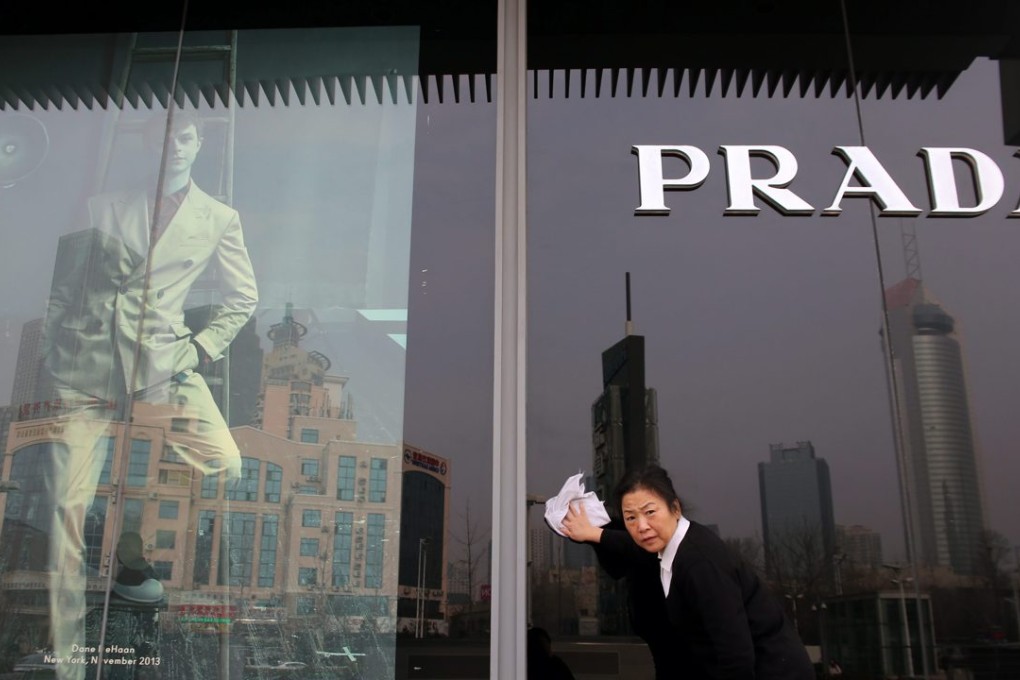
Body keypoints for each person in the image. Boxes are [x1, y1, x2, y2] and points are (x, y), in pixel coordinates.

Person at [39, 108, 258, 679]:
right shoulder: (102, 206)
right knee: (65, 508)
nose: (176, 147)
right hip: (85, 369)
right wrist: (51, 354)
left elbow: (242, 298)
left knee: (226, 465)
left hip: (163, 367)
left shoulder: (219, 217)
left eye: (186, 136)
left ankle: (132, 550)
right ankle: (67, 667)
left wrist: (202, 348)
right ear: (151, 143)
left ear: (199, 141)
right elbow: (62, 287)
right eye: (167, 137)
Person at [560, 465, 814, 680]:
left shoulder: (699, 563)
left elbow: (736, 655)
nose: (642, 526)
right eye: (630, 518)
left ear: (675, 508)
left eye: (650, 512)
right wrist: (594, 533)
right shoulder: (670, 546)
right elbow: (632, 547)